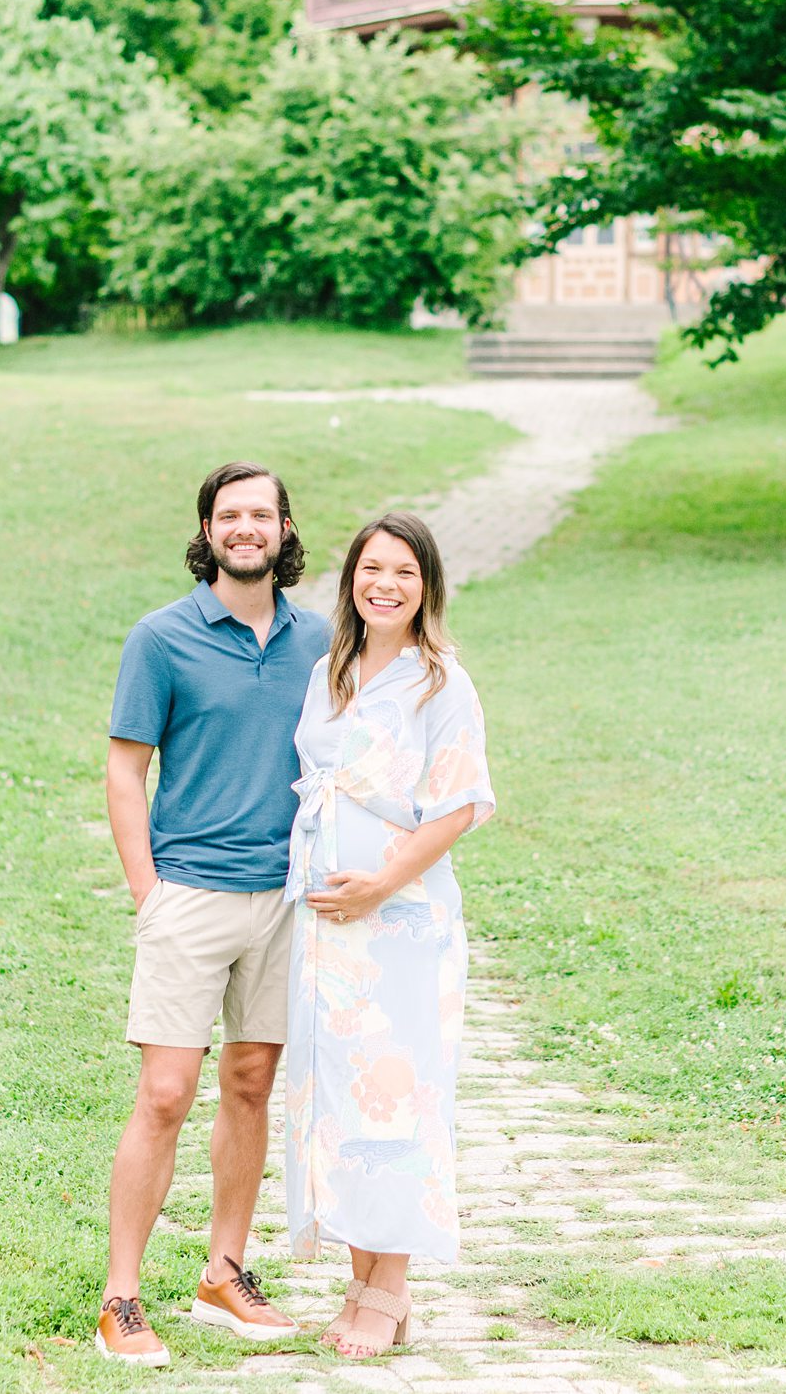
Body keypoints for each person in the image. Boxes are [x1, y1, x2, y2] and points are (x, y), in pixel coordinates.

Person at [96, 462, 330, 1366]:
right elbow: (126, 771)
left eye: (260, 514)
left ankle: (223, 1273)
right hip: (189, 892)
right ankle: (121, 1296)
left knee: (250, 1083)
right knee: (165, 1093)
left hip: (285, 898)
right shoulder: (161, 638)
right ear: (208, 530)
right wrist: (149, 894)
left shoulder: (319, 638)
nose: (245, 527)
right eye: (229, 514)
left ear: (282, 528)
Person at [285, 512, 495, 1359]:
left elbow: (457, 808)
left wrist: (379, 880)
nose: (386, 584)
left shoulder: (442, 682)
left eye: (404, 572)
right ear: (351, 581)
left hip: (402, 926)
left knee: (397, 1098)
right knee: (340, 1102)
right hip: (327, 934)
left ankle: (390, 1288)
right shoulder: (330, 672)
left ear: (427, 587)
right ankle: (365, 1281)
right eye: (372, 568)